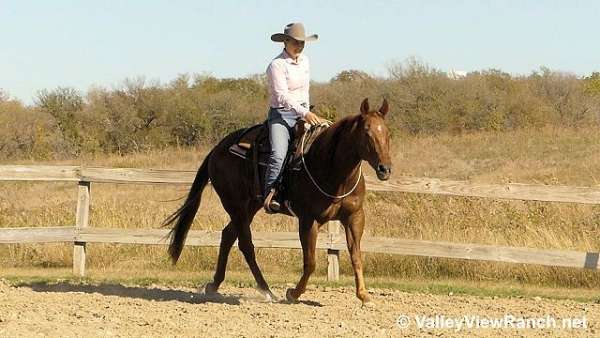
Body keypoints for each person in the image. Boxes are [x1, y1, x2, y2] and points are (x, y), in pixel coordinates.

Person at [263, 22, 322, 213]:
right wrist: (305, 113)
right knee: (279, 153)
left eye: (302, 43)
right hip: (281, 115)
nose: (300, 46)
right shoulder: (276, 65)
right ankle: (271, 193)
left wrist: (307, 111)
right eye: (296, 42)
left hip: (302, 112)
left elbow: (305, 90)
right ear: (285, 42)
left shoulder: (305, 61)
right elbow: (282, 95)